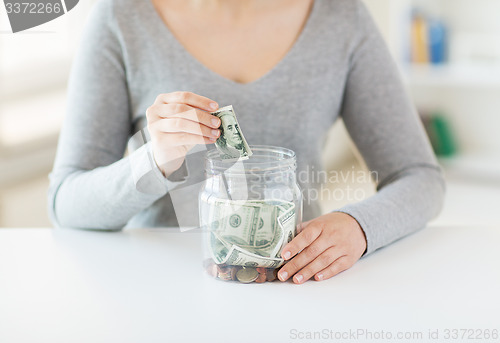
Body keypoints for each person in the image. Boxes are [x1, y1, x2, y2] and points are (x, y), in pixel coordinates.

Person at [48, 0, 445, 284]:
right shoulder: (120, 16)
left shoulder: (342, 16)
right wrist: (155, 161)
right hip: (159, 289)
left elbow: (421, 177)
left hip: (297, 281)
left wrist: (359, 227)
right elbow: (66, 203)